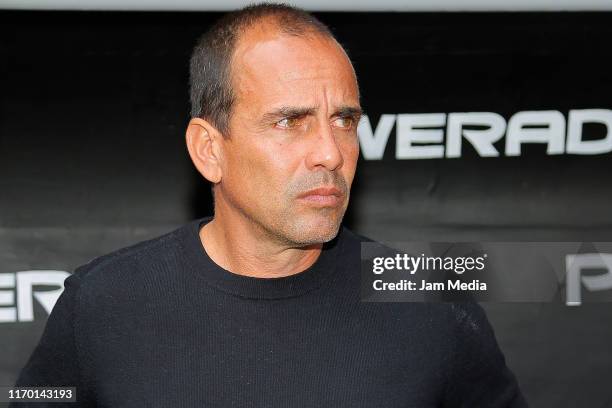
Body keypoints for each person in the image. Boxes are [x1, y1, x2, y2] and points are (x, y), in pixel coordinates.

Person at [12, 3, 528, 407]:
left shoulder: (432, 304)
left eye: (344, 120)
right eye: (290, 122)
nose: (330, 152)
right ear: (209, 150)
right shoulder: (103, 301)